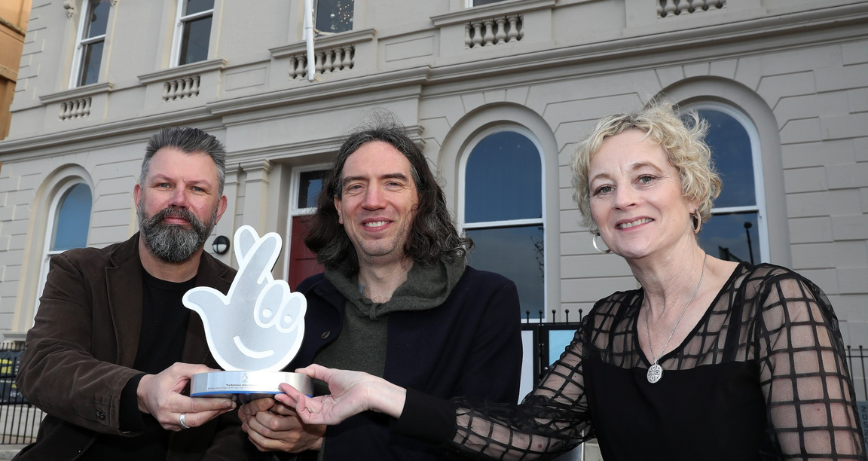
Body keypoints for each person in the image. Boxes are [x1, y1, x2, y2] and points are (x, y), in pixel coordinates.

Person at [276, 101, 866, 460]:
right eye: (603, 188)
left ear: (690, 191)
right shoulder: (608, 324)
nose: (624, 199)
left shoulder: (776, 301)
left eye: (645, 178)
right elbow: (528, 433)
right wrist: (381, 394)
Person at [238, 123, 523, 460]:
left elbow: (485, 445)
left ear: (421, 201)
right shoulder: (307, 299)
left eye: (393, 183)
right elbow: (277, 396)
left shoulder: (486, 301)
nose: (373, 201)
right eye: (356, 186)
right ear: (340, 209)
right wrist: (261, 415)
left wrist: (324, 442)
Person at [15, 127, 247, 461]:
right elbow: (43, 365)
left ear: (219, 208)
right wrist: (140, 391)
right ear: (139, 196)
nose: (179, 200)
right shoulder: (80, 271)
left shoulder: (240, 295)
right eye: (164, 185)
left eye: (197, 188)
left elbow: (240, 420)